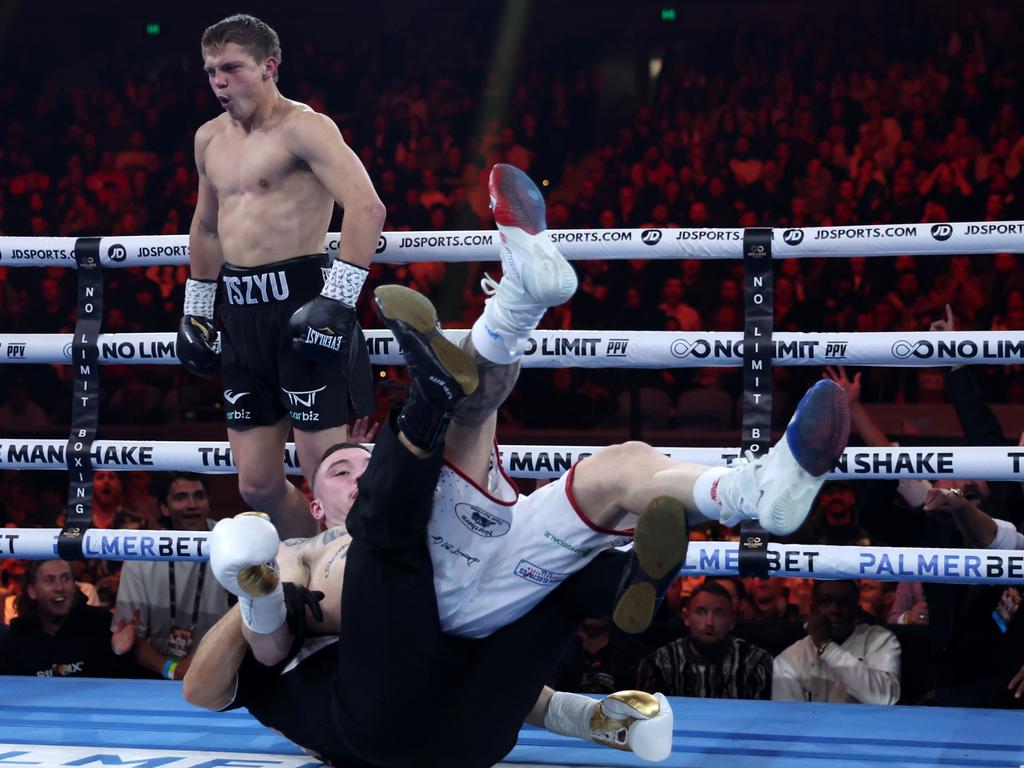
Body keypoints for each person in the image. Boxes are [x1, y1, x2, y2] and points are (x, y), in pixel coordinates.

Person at [187, 165, 848, 766]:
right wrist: (258, 589)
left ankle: (749, 490)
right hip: (383, 711)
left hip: (473, 714)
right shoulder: (307, 552)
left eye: (362, 461)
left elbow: (495, 678)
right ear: (315, 498)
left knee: (615, 472)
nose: (354, 472)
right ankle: (494, 334)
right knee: (415, 519)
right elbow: (245, 665)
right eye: (339, 472)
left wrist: (597, 721)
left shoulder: (360, 546)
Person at [177, 14, 383, 539]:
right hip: (240, 314)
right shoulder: (208, 139)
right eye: (210, 72)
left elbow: (365, 207)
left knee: (328, 474)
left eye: (231, 68)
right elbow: (205, 225)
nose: (219, 82)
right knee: (258, 485)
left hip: (303, 308)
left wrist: (338, 301)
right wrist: (198, 308)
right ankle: (317, 558)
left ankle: (345, 586)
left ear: (268, 67)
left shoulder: (304, 128)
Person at [111, 473, 230, 680]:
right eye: (181, 497)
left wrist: (201, 666)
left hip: (221, 671)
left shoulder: (232, 546)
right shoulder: (142, 553)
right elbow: (130, 635)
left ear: (208, 502)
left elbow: (246, 628)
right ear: (164, 507)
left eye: (199, 496)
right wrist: (172, 669)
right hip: (155, 675)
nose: (191, 504)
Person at [0, 560, 137, 678]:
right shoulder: (16, 640)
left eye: (65, 578)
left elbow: (121, 688)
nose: (59, 588)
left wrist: (119, 653)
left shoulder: (100, 624)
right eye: (50, 580)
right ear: (32, 591)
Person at [637, 581, 773, 699]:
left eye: (718, 613)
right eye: (700, 612)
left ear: (732, 620)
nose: (709, 622)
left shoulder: (756, 663)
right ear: (686, 617)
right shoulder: (657, 664)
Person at [772, 580, 901, 704]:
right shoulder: (789, 659)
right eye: (826, 602)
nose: (834, 609)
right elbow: (789, 721)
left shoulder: (880, 639)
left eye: (843, 602)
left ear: (857, 609)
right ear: (812, 609)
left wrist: (826, 647)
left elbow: (885, 699)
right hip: (813, 727)